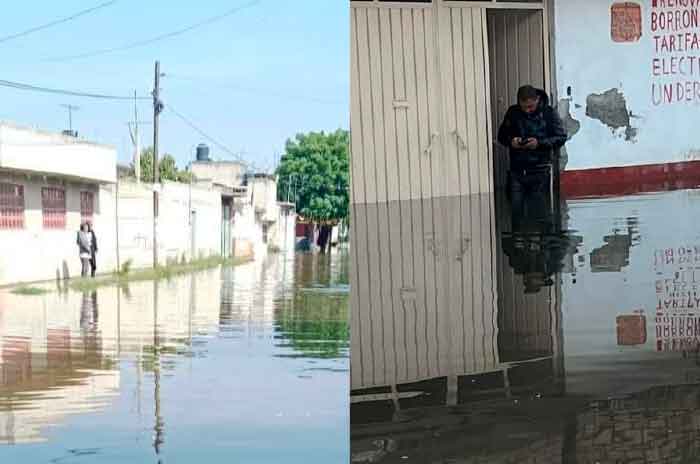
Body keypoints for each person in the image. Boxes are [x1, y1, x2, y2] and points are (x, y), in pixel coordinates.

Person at [497, 85, 567, 211]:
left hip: (540, 171)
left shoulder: (548, 113)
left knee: (540, 213)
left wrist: (539, 143)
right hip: (517, 171)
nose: (527, 111)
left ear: (537, 100)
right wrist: (511, 141)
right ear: (519, 102)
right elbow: (501, 136)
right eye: (524, 107)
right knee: (516, 212)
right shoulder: (513, 112)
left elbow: (561, 137)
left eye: (531, 107)